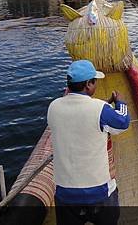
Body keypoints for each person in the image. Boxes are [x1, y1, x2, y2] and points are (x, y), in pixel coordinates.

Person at [48, 60, 130, 225]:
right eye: (95, 82)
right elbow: (123, 122)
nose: (96, 85)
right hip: (99, 194)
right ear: (88, 85)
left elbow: (76, 115)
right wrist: (119, 102)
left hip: (65, 195)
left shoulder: (53, 107)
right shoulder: (100, 109)